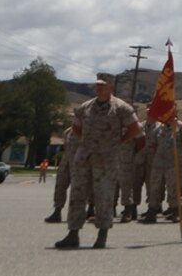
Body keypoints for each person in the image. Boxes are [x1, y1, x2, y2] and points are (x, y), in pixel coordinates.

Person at [53, 74, 141, 250]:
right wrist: (88, 143)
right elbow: (76, 128)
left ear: (111, 87)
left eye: (102, 85)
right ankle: (73, 233)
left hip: (106, 159)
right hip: (85, 157)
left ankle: (102, 234)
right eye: (97, 85)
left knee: (104, 196)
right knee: (77, 195)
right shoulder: (85, 107)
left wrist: (118, 142)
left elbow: (135, 128)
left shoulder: (121, 108)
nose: (98, 88)